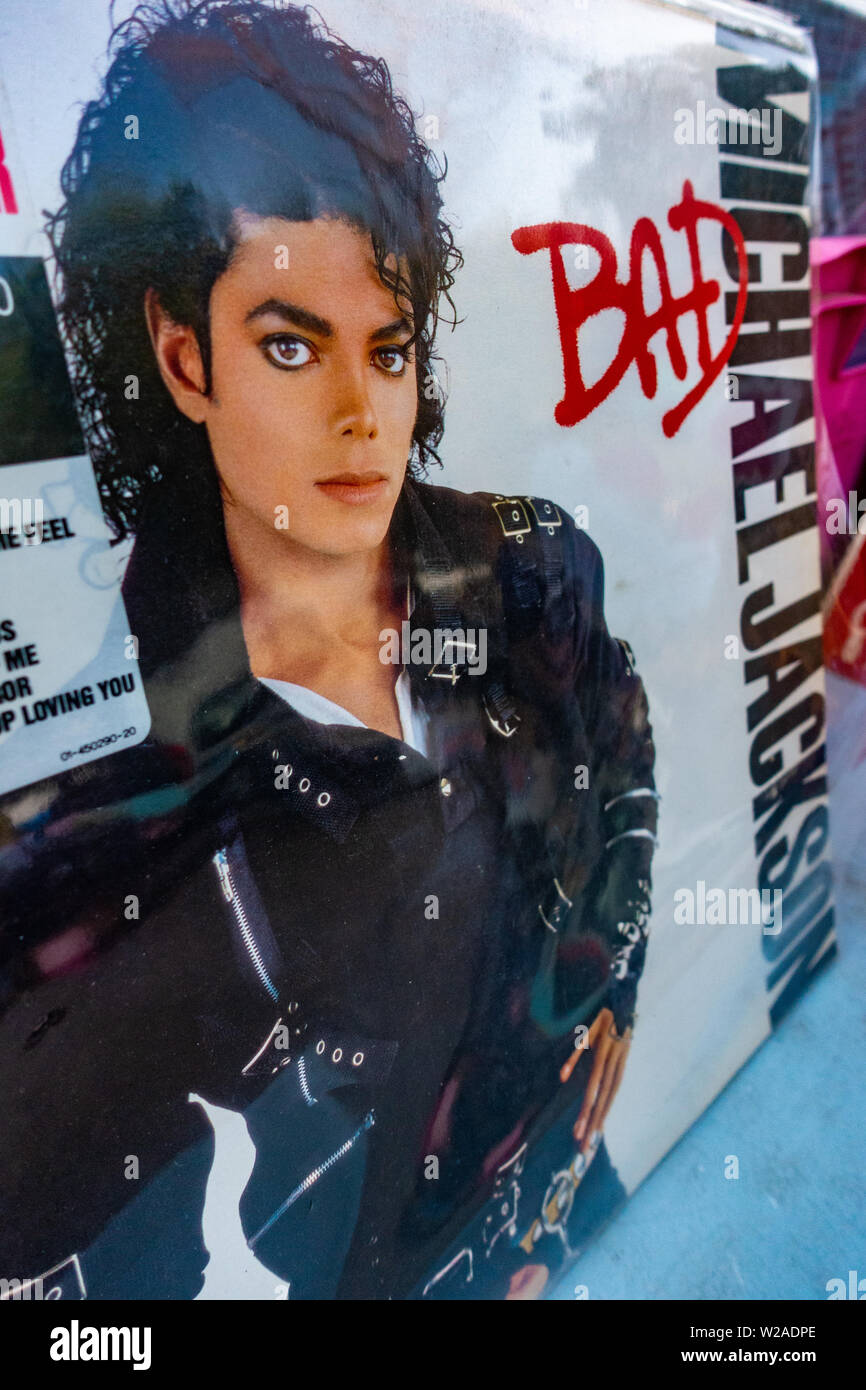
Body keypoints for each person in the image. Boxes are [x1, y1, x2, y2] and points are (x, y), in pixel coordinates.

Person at [0, 0, 657, 1300]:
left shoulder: (530, 570)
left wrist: (602, 1028)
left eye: (389, 347)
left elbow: (618, 797)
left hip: (589, 1211)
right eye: (290, 344)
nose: (363, 413)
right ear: (183, 359)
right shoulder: (99, 767)